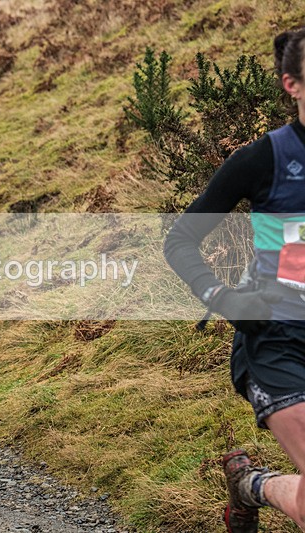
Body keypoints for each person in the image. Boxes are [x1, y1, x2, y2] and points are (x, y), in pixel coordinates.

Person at [165, 28, 305, 533]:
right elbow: (179, 240)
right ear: (293, 85)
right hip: (277, 340)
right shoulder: (264, 159)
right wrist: (223, 298)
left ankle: (251, 486)